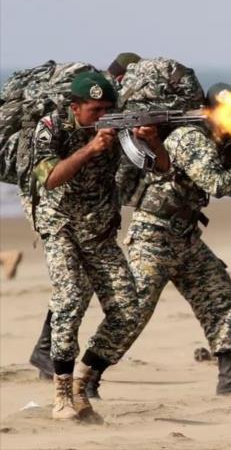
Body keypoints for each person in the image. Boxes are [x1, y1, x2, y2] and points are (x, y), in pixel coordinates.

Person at [106, 81, 231, 396]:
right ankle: (88, 376)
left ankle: (230, 378)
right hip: (153, 234)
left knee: (222, 297)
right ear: (210, 111)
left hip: (185, 236)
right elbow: (216, 183)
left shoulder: (225, 140)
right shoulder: (191, 138)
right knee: (134, 312)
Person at [31, 72, 150, 421]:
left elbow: (159, 166)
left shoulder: (120, 128)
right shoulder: (50, 127)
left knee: (129, 310)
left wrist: (150, 140)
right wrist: (90, 148)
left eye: (108, 109)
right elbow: (50, 178)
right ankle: (62, 392)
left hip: (99, 231)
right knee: (69, 299)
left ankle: (86, 377)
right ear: (75, 108)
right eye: (95, 109)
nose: (102, 116)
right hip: (61, 226)